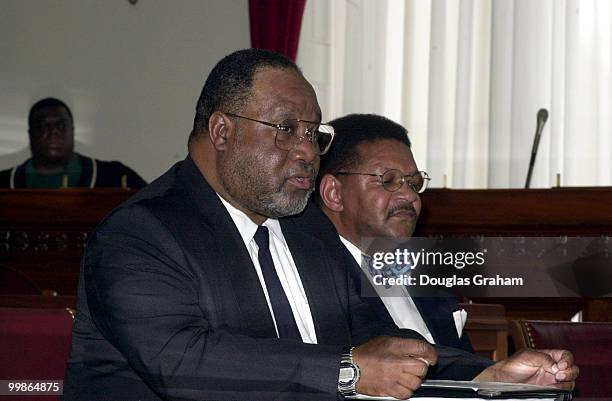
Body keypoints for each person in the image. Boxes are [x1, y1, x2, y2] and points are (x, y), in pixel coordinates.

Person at [64, 50, 577, 401]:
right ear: (222, 131)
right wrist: (348, 372)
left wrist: (483, 377)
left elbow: (379, 337)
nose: (308, 151)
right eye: (286, 129)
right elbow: (181, 362)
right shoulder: (141, 234)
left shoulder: (306, 229)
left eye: (314, 133)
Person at [317, 114, 472, 351]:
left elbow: (462, 368)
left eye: (413, 183)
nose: (410, 196)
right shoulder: (313, 279)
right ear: (334, 193)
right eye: (389, 180)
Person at [0, 97, 147, 189]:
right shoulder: (4, 183)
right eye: (43, 125)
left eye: (61, 125)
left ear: (73, 130)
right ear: (30, 133)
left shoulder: (116, 177)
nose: (53, 132)